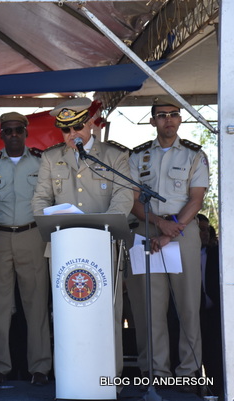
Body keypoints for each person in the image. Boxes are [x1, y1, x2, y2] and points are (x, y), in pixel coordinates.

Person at [32, 97, 133, 381]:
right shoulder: (51, 158)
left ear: (91, 123)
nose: (72, 135)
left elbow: (123, 197)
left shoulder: (114, 156)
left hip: (103, 245)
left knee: (108, 316)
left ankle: (109, 380)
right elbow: (40, 198)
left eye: (77, 127)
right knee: (67, 314)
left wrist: (105, 230)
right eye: (66, 130)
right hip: (64, 247)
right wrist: (49, 223)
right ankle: (71, 379)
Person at [126, 97, 209, 390]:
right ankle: (155, 373)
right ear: (152, 121)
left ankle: (188, 372)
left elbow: (196, 198)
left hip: (182, 234)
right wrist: (159, 226)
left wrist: (171, 230)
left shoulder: (194, 155)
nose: (169, 120)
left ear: (180, 119)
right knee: (149, 308)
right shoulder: (137, 157)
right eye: (162, 115)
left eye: (174, 114)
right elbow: (132, 200)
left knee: (188, 305)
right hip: (146, 232)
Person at [0, 112, 50, 385]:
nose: (14, 134)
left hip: (33, 235)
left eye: (18, 130)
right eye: (8, 131)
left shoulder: (43, 161)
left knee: (37, 302)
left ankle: (40, 367)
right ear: (1, 135)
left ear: (26, 132)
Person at [197, 213, 222, 398]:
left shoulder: (217, 252)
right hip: (193, 314)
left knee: (215, 356)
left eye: (207, 230)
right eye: (200, 230)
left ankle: (218, 391)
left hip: (214, 313)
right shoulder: (182, 253)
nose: (204, 234)